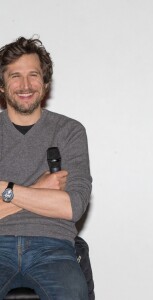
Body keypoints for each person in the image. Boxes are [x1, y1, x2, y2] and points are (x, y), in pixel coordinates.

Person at [0, 36, 92, 299]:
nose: (25, 85)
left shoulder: (70, 131)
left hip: (53, 247)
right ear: (2, 85)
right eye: (15, 76)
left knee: (74, 293)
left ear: (46, 82)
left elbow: (72, 206)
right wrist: (39, 189)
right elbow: (57, 202)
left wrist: (6, 190)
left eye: (33, 75)